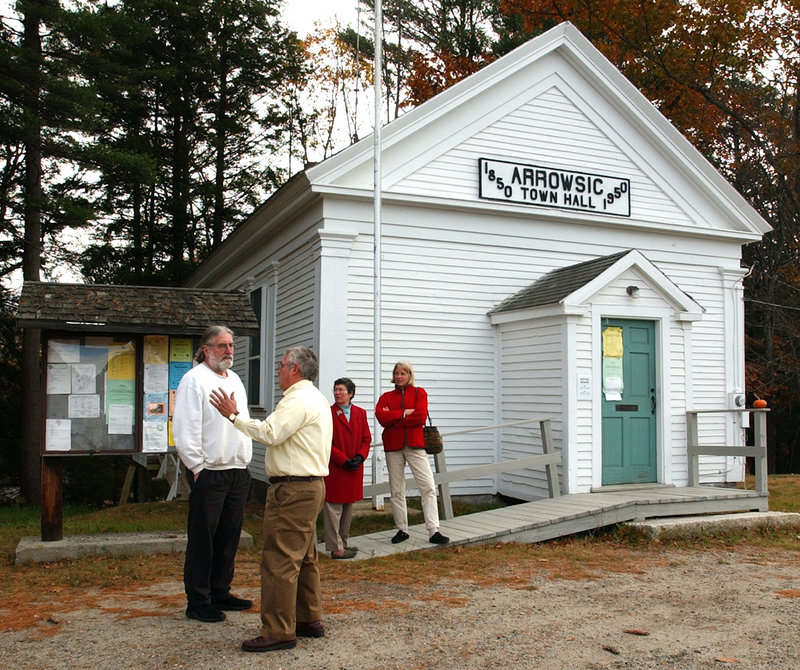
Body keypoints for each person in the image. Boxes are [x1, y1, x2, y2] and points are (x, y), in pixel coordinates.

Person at [209, 346, 332, 653]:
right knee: (304, 557)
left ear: (295, 370)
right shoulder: (315, 398)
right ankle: (307, 617)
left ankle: (278, 630)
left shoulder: (297, 400)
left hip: (292, 490)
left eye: (281, 365)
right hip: (310, 486)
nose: (277, 370)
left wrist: (234, 416)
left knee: (278, 560)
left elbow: (270, 433)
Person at [172, 325, 253, 623]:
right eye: (221, 345)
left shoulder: (235, 379)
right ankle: (198, 600)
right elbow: (184, 427)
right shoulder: (194, 380)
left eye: (231, 345)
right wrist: (197, 466)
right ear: (206, 349)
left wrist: (245, 458)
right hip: (210, 471)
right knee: (203, 538)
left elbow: (241, 420)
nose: (228, 351)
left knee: (228, 536)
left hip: (237, 470)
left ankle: (220, 591)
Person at [375, 361, 449, 546]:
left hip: (416, 445)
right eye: (397, 373)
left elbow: (420, 416)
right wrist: (403, 414)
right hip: (393, 447)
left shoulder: (419, 393)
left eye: (403, 373)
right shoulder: (386, 397)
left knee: (428, 487)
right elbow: (381, 418)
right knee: (396, 490)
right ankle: (402, 529)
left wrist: (394, 417)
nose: (399, 376)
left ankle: (433, 530)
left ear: (409, 375)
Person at [324, 378, 372, 559]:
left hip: (354, 468)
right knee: (333, 510)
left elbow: (366, 438)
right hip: (337, 468)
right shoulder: (327, 414)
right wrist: (343, 460)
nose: (337, 393)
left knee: (347, 509)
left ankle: (343, 542)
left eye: (341, 390)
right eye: (335, 389)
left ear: (351, 393)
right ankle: (335, 548)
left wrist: (361, 456)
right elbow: (325, 443)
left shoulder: (360, 413)